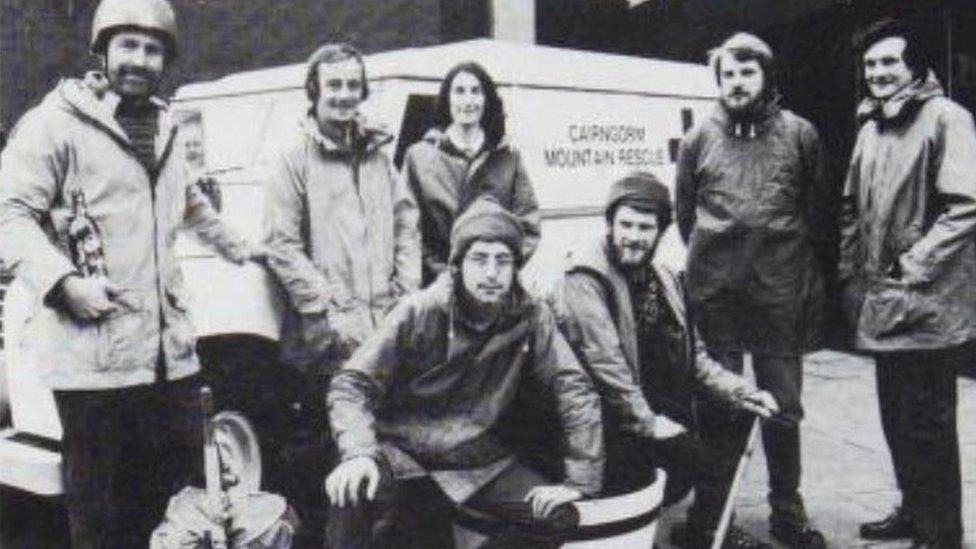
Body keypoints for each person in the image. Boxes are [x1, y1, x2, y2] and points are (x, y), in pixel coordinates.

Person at [0, 0, 261, 546]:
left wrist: (240, 247)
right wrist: (65, 285)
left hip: (169, 361)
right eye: (128, 46)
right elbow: (10, 215)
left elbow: (186, 202)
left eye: (152, 49)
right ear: (102, 51)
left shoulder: (167, 126)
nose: (140, 60)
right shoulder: (55, 125)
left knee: (180, 508)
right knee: (101, 516)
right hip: (95, 365)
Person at [324, 196, 604, 548]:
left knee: (557, 518)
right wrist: (359, 452)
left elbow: (573, 387)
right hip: (402, 451)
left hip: (476, 457)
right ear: (457, 265)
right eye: (479, 259)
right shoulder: (420, 310)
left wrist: (579, 480)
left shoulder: (531, 316)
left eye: (503, 261)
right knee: (352, 492)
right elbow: (352, 384)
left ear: (516, 267)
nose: (491, 273)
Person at [557, 171, 780, 549]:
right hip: (601, 413)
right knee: (680, 452)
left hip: (651, 400)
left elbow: (695, 359)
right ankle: (633, 531)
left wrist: (742, 391)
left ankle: (707, 530)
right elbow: (607, 368)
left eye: (646, 227)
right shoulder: (586, 276)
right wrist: (650, 424)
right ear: (610, 223)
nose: (633, 236)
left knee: (732, 417)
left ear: (660, 231)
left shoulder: (664, 278)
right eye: (625, 224)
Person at [261, 42, 421, 539]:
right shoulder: (293, 161)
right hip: (328, 350)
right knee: (339, 476)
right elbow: (280, 244)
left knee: (385, 468)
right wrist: (329, 309)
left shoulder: (378, 155)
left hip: (386, 339)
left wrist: (406, 294)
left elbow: (406, 220)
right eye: (335, 85)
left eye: (354, 85)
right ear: (314, 91)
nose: (345, 96)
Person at [675, 32, 827, 549]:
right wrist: (715, 269)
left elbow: (815, 213)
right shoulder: (699, 139)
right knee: (720, 409)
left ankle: (787, 512)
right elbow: (684, 215)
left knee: (782, 409)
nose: (736, 83)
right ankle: (713, 516)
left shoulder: (800, 135)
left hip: (779, 297)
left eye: (747, 72)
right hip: (716, 299)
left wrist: (787, 274)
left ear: (766, 76)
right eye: (728, 74)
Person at [839, 18, 976, 549]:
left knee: (928, 427)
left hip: (927, 306)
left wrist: (910, 268)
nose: (877, 72)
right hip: (883, 304)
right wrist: (852, 276)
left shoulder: (947, 119)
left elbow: (966, 207)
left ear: (914, 66)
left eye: (888, 62)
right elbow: (850, 208)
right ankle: (914, 512)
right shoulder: (869, 127)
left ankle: (941, 533)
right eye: (870, 64)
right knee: (897, 420)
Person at [402, 61, 541, 285]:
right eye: (459, 91)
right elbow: (408, 228)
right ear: (447, 99)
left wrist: (499, 268)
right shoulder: (419, 157)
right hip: (439, 285)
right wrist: (442, 273)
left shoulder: (508, 157)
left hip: (493, 285)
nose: (468, 101)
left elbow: (528, 225)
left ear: (486, 99)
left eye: (476, 91)